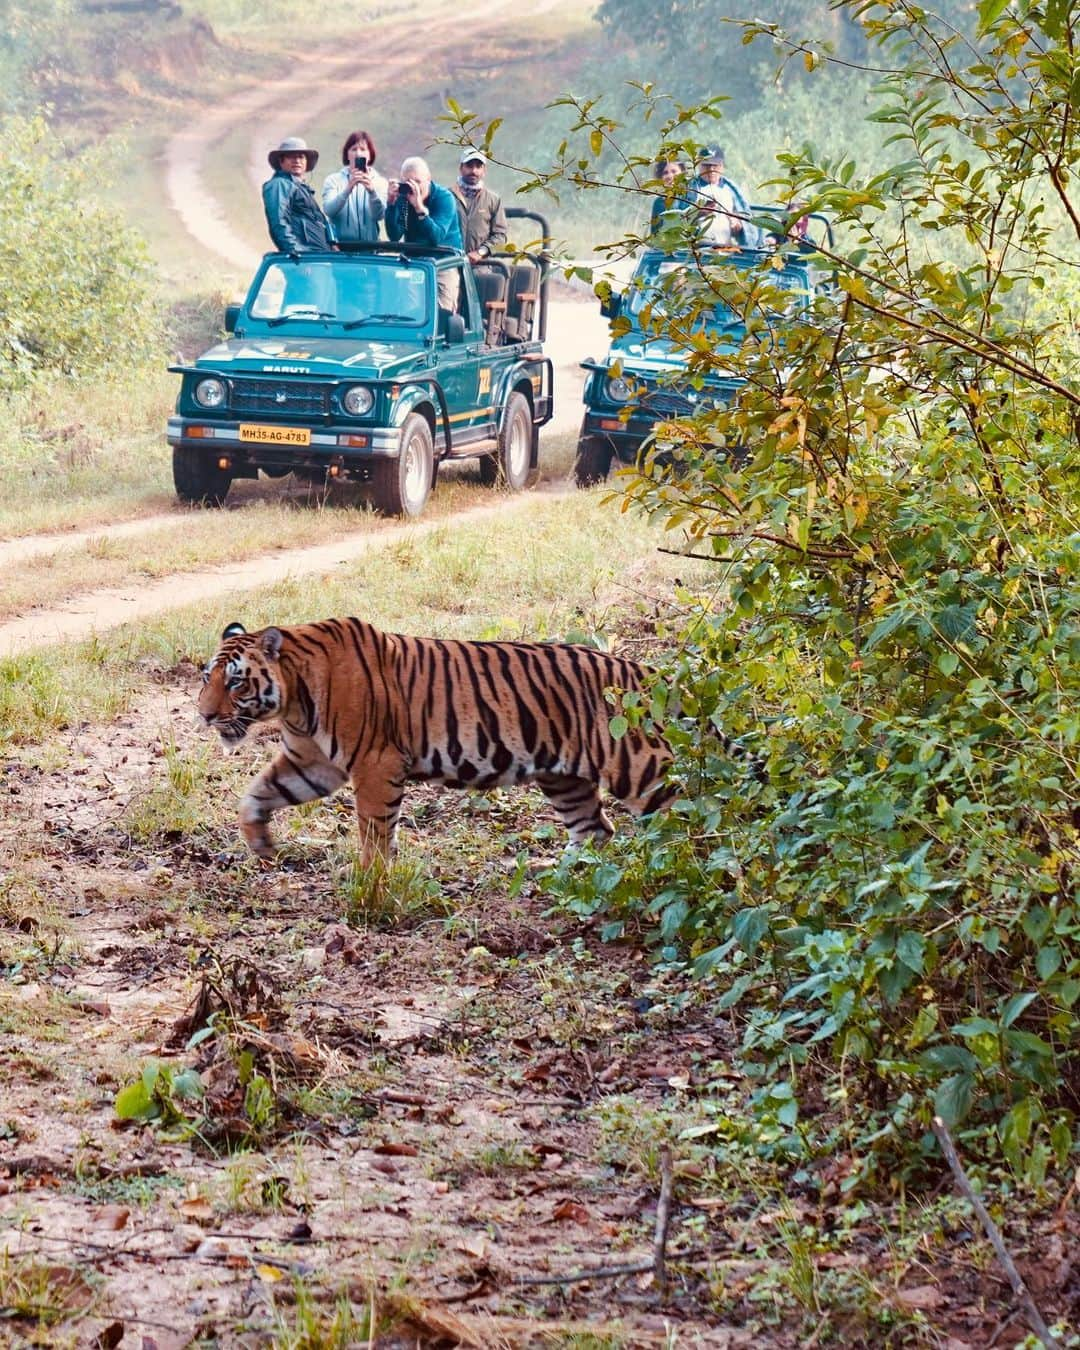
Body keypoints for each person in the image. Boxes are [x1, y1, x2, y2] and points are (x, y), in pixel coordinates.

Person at [385, 156, 464, 309]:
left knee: (443, 312)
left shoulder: (444, 198)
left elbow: (436, 236)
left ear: (428, 179)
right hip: (416, 263)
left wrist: (419, 208)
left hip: (443, 262)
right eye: (408, 182)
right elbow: (395, 235)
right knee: (411, 309)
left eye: (418, 182)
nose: (414, 187)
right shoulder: (404, 198)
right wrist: (391, 204)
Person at [262, 137, 332, 254]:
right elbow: (279, 222)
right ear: (281, 161)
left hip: (318, 257)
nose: (297, 161)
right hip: (305, 260)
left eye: (301, 157)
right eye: (291, 156)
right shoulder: (280, 184)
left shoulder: (300, 187)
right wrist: (296, 253)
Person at [321, 129, 387, 244]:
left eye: (363, 149)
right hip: (339, 249)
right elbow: (329, 210)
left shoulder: (380, 182)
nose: (358, 154)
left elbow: (379, 215)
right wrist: (347, 189)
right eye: (353, 149)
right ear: (347, 154)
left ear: (370, 155)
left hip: (369, 248)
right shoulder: (332, 180)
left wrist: (372, 192)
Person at [688, 145, 756, 248]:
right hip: (694, 253)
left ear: (722, 166)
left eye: (715, 165)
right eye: (707, 165)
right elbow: (678, 219)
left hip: (725, 251)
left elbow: (747, 223)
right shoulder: (689, 189)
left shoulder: (732, 191)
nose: (711, 169)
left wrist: (738, 225)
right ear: (699, 165)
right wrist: (698, 213)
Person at [450, 147, 508, 263]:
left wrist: (481, 252)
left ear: (484, 171)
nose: (474, 171)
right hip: (449, 264)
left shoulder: (493, 200)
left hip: (481, 266)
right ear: (461, 168)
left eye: (478, 166)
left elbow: (500, 236)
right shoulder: (446, 197)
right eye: (469, 166)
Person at [649, 157, 689, 234]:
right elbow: (654, 233)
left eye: (674, 171)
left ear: (682, 173)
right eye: (665, 173)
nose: (670, 176)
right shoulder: (659, 202)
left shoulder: (691, 196)